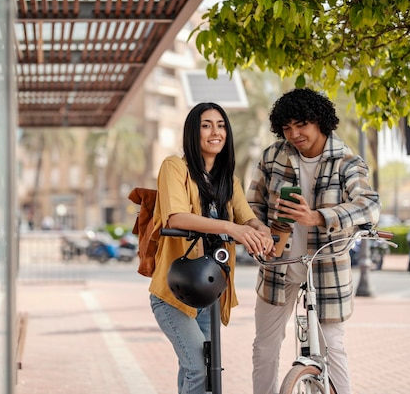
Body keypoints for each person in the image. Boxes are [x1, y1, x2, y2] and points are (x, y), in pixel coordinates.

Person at [246, 88, 381, 394]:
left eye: (301, 124)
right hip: (277, 266)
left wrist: (319, 217)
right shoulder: (273, 156)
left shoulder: (347, 162)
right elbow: (252, 206)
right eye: (286, 127)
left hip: (327, 268)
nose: (293, 134)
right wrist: (260, 230)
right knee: (264, 347)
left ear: (320, 122)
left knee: (334, 347)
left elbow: (369, 205)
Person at [149, 102, 275, 394]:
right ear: (193, 132)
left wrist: (262, 231)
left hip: (209, 290)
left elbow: (247, 218)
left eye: (220, 125)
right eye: (206, 125)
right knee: (199, 368)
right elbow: (176, 216)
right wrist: (231, 228)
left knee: (200, 368)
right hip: (174, 290)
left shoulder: (228, 181)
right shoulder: (174, 167)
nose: (215, 132)